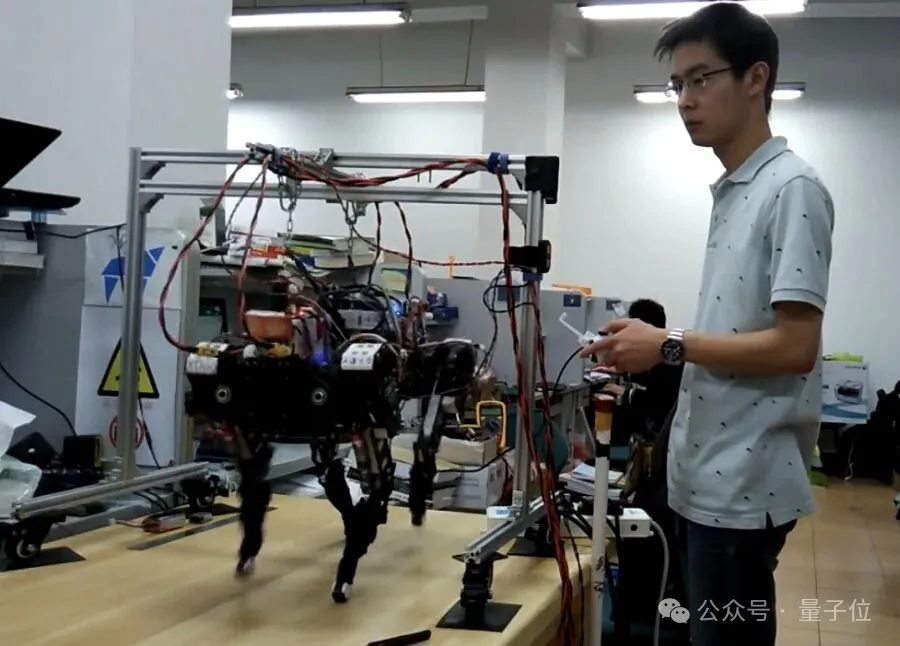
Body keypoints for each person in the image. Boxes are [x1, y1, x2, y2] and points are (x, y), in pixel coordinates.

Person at [580, 4, 834, 645]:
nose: (685, 100)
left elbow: (796, 346)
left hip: (742, 487)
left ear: (756, 78)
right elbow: (740, 327)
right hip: (702, 475)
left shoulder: (792, 189)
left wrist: (667, 344)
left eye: (701, 79)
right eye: (678, 85)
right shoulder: (737, 189)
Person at [604, 298, 682, 439]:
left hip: (656, 433)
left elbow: (660, 402)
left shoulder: (671, 361)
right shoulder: (655, 353)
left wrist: (627, 393)